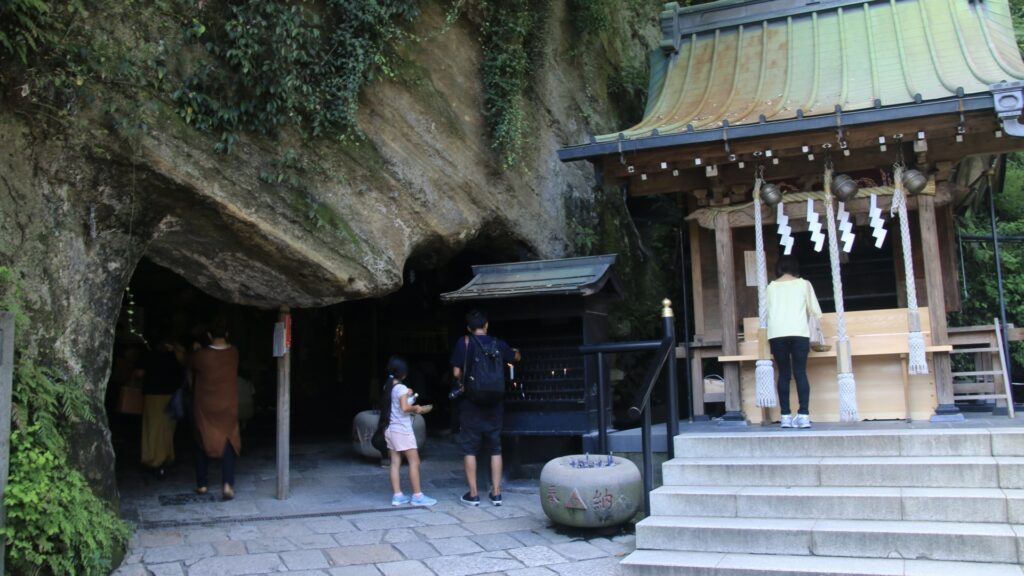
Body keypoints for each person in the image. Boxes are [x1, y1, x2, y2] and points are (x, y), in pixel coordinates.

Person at [450, 310, 520, 506]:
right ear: (487, 325)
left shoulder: (463, 343)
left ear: (469, 328)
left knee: (470, 448)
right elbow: (514, 358)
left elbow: (456, 372)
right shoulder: (499, 344)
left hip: (470, 403)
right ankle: (496, 493)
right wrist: (516, 352)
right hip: (495, 404)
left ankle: (473, 494)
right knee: (495, 448)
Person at [766, 255, 822, 429]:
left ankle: (785, 416)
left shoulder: (771, 287)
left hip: (777, 334)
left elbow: (765, 312)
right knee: (800, 373)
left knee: (783, 374)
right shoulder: (804, 284)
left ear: (779, 268)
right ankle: (804, 414)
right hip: (799, 332)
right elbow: (816, 312)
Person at [189, 323, 241, 500]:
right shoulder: (234, 353)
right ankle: (227, 484)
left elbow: (188, 361)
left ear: (209, 335)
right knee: (229, 442)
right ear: (227, 333)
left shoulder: (202, 356)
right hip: (228, 405)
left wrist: (195, 349)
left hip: (205, 406)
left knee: (201, 439)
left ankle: (202, 483)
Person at [381, 356, 436, 506]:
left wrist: (408, 395)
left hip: (390, 429)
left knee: (395, 462)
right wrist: (416, 408)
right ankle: (417, 496)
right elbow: (405, 408)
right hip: (402, 430)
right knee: (414, 461)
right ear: (404, 373)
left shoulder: (388, 386)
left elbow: (398, 404)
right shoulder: (401, 388)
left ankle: (397, 496)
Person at [139, 337, 185, 478]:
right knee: (167, 429)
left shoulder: (149, 356)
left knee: (152, 428)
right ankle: (166, 457)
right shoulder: (176, 357)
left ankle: (153, 458)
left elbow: (139, 373)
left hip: (153, 396)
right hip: (172, 397)